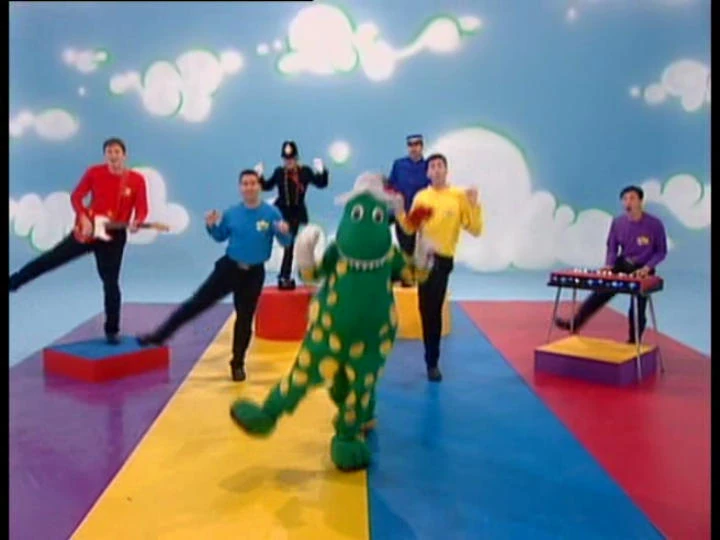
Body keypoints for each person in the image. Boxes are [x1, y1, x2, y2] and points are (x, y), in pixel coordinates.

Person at [137, 169, 293, 382]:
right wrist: (211, 225)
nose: (249, 187)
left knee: (245, 319)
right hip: (229, 269)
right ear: (240, 188)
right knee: (196, 303)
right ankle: (159, 336)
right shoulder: (232, 213)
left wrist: (284, 232)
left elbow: (285, 242)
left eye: (253, 183)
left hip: (254, 274)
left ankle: (237, 363)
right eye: (245, 184)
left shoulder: (271, 213)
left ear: (259, 186)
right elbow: (220, 236)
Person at [9, 137, 148, 344]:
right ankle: (14, 282)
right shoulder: (94, 172)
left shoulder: (136, 179)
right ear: (105, 155)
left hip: (114, 237)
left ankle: (112, 331)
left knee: (110, 282)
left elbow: (142, 208)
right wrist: (83, 217)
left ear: (124, 155)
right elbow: (76, 196)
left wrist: (138, 221)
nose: (113, 156)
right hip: (88, 231)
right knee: (51, 259)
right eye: (109, 152)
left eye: (117, 152)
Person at [395, 153, 483, 382]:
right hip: (424, 259)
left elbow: (475, 229)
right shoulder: (422, 197)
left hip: (443, 259)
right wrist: (399, 212)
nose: (436, 169)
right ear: (428, 173)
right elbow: (410, 228)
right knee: (426, 310)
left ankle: (432, 362)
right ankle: (431, 359)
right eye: (432, 166)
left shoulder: (458, 197)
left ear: (446, 170)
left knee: (434, 309)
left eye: (440, 165)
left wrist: (474, 205)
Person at [554, 185, 667, 343]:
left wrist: (647, 268)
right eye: (625, 199)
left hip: (644, 268)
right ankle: (575, 323)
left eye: (632, 198)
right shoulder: (618, 223)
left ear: (641, 201)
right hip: (622, 264)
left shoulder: (655, 224)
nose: (628, 202)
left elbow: (661, 252)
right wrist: (609, 265)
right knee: (599, 293)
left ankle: (634, 340)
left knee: (637, 307)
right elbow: (612, 247)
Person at [255, 140, 329, 291]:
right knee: (264, 234)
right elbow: (267, 186)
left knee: (289, 245)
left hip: (295, 214)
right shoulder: (279, 173)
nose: (288, 162)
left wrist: (322, 171)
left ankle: (285, 276)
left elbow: (321, 183)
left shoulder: (305, 172)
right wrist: (259, 176)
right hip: (279, 211)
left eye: (291, 159)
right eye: (286, 159)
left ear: (296, 159)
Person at [387, 134, 430, 261]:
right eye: (410, 145)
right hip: (401, 214)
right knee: (405, 250)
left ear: (422, 146)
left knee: (416, 252)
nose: (413, 148)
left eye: (416, 144)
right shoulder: (399, 165)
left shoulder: (428, 166)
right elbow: (390, 186)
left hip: (419, 216)